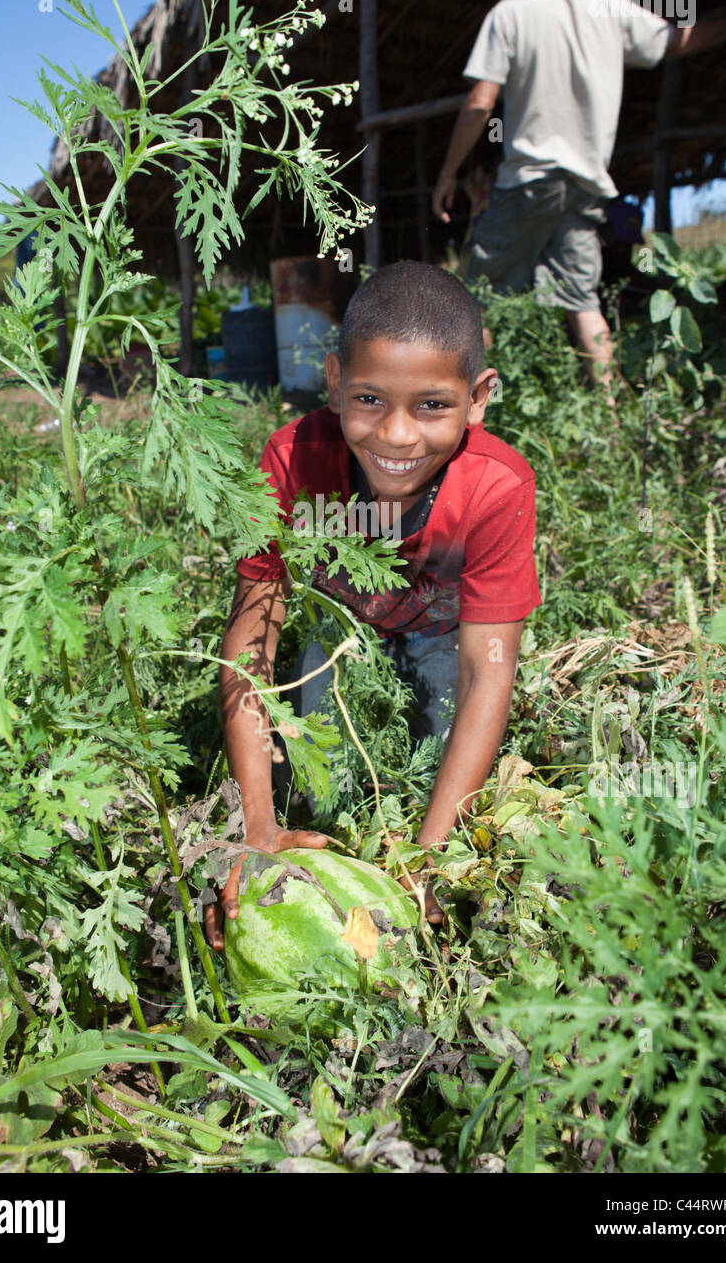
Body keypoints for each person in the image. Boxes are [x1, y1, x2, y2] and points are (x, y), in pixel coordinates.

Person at [206, 260, 541, 950]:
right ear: (332, 382)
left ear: (478, 398)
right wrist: (256, 828)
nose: (395, 435)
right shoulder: (294, 459)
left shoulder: (497, 486)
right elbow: (249, 646)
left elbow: (490, 671)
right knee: (318, 776)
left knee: (446, 721)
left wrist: (430, 860)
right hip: (344, 635)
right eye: (368, 399)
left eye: (432, 405)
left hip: (445, 637)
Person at [432, 0, 726, 394]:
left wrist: (449, 172)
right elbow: (679, 40)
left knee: (479, 297)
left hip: (530, 179)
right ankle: (608, 411)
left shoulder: (511, 13)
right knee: (582, 299)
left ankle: (473, 412)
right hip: (587, 186)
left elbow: (479, 102)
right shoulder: (611, 11)